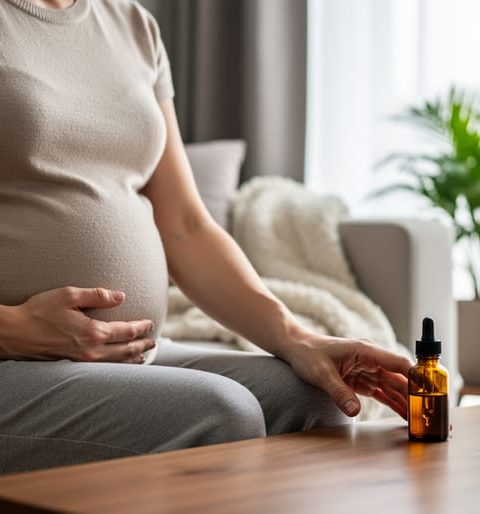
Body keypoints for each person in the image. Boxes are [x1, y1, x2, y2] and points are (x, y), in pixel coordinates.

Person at [0, 0, 412, 474]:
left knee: (316, 402)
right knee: (221, 414)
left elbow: (186, 227)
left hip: (135, 356)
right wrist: (12, 330)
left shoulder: (132, 25)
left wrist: (297, 338)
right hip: (13, 362)